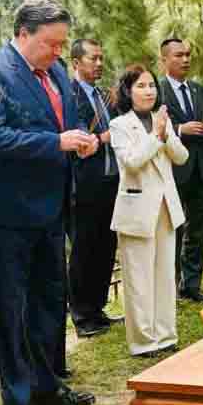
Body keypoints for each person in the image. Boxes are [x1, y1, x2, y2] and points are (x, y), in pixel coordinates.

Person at [0, 0, 98, 405]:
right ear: (23, 34)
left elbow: (66, 124)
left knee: (47, 298)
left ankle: (47, 382)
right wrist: (57, 143)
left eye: (62, 44)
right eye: (50, 44)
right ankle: (15, 398)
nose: (58, 53)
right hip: (6, 210)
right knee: (10, 305)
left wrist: (81, 141)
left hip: (50, 206)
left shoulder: (56, 73)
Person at [110, 63, 189, 355]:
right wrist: (155, 136)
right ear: (128, 92)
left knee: (165, 274)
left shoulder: (163, 121)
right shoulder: (119, 125)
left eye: (152, 85)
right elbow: (132, 161)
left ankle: (166, 335)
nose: (148, 91)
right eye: (141, 86)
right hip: (136, 208)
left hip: (166, 206)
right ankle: (143, 341)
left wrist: (165, 135)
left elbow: (181, 157)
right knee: (139, 278)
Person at [68, 37, 122, 338]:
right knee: (84, 248)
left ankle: (98, 309)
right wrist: (103, 138)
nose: (99, 63)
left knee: (105, 246)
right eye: (93, 58)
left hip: (110, 180)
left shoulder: (102, 96)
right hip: (84, 182)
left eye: (102, 58)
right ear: (76, 62)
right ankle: (81, 314)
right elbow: (77, 135)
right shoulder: (69, 94)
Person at [157, 38, 203, 302]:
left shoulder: (199, 90)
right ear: (164, 60)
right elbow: (152, 127)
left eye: (188, 55)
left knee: (198, 227)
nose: (185, 60)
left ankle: (191, 286)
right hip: (173, 169)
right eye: (179, 55)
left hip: (200, 169)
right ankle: (169, 287)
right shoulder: (157, 92)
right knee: (173, 230)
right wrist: (181, 130)